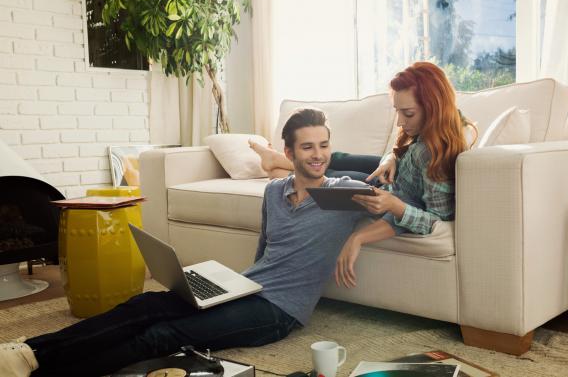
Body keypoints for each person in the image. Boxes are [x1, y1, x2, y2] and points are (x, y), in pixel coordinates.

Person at [0, 109, 368, 377]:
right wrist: (235, 285)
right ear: (289, 153)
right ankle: (30, 352)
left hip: (277, 311)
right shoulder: (274, 192)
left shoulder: (339, 196)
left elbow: (405, 213)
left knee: (162, 335)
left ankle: (45, 371)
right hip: (247, 287)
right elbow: (265, 249)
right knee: (143, 305)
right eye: (307, 147)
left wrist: (359, 237)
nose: (318, 154)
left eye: (323, 145)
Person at [250, 62, 474, 289]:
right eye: (397, 111)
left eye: (407, 113)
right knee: (340, 159)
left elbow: (439, 221)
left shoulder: (437, 154)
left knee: (330, 176)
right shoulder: (438, 124)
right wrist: (391, 159)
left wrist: (394, 206)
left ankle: (278, 165)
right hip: (390, 174)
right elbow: (403, 151)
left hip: (391, 191)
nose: (400, 121)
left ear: (434, 107)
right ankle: (279, 161)